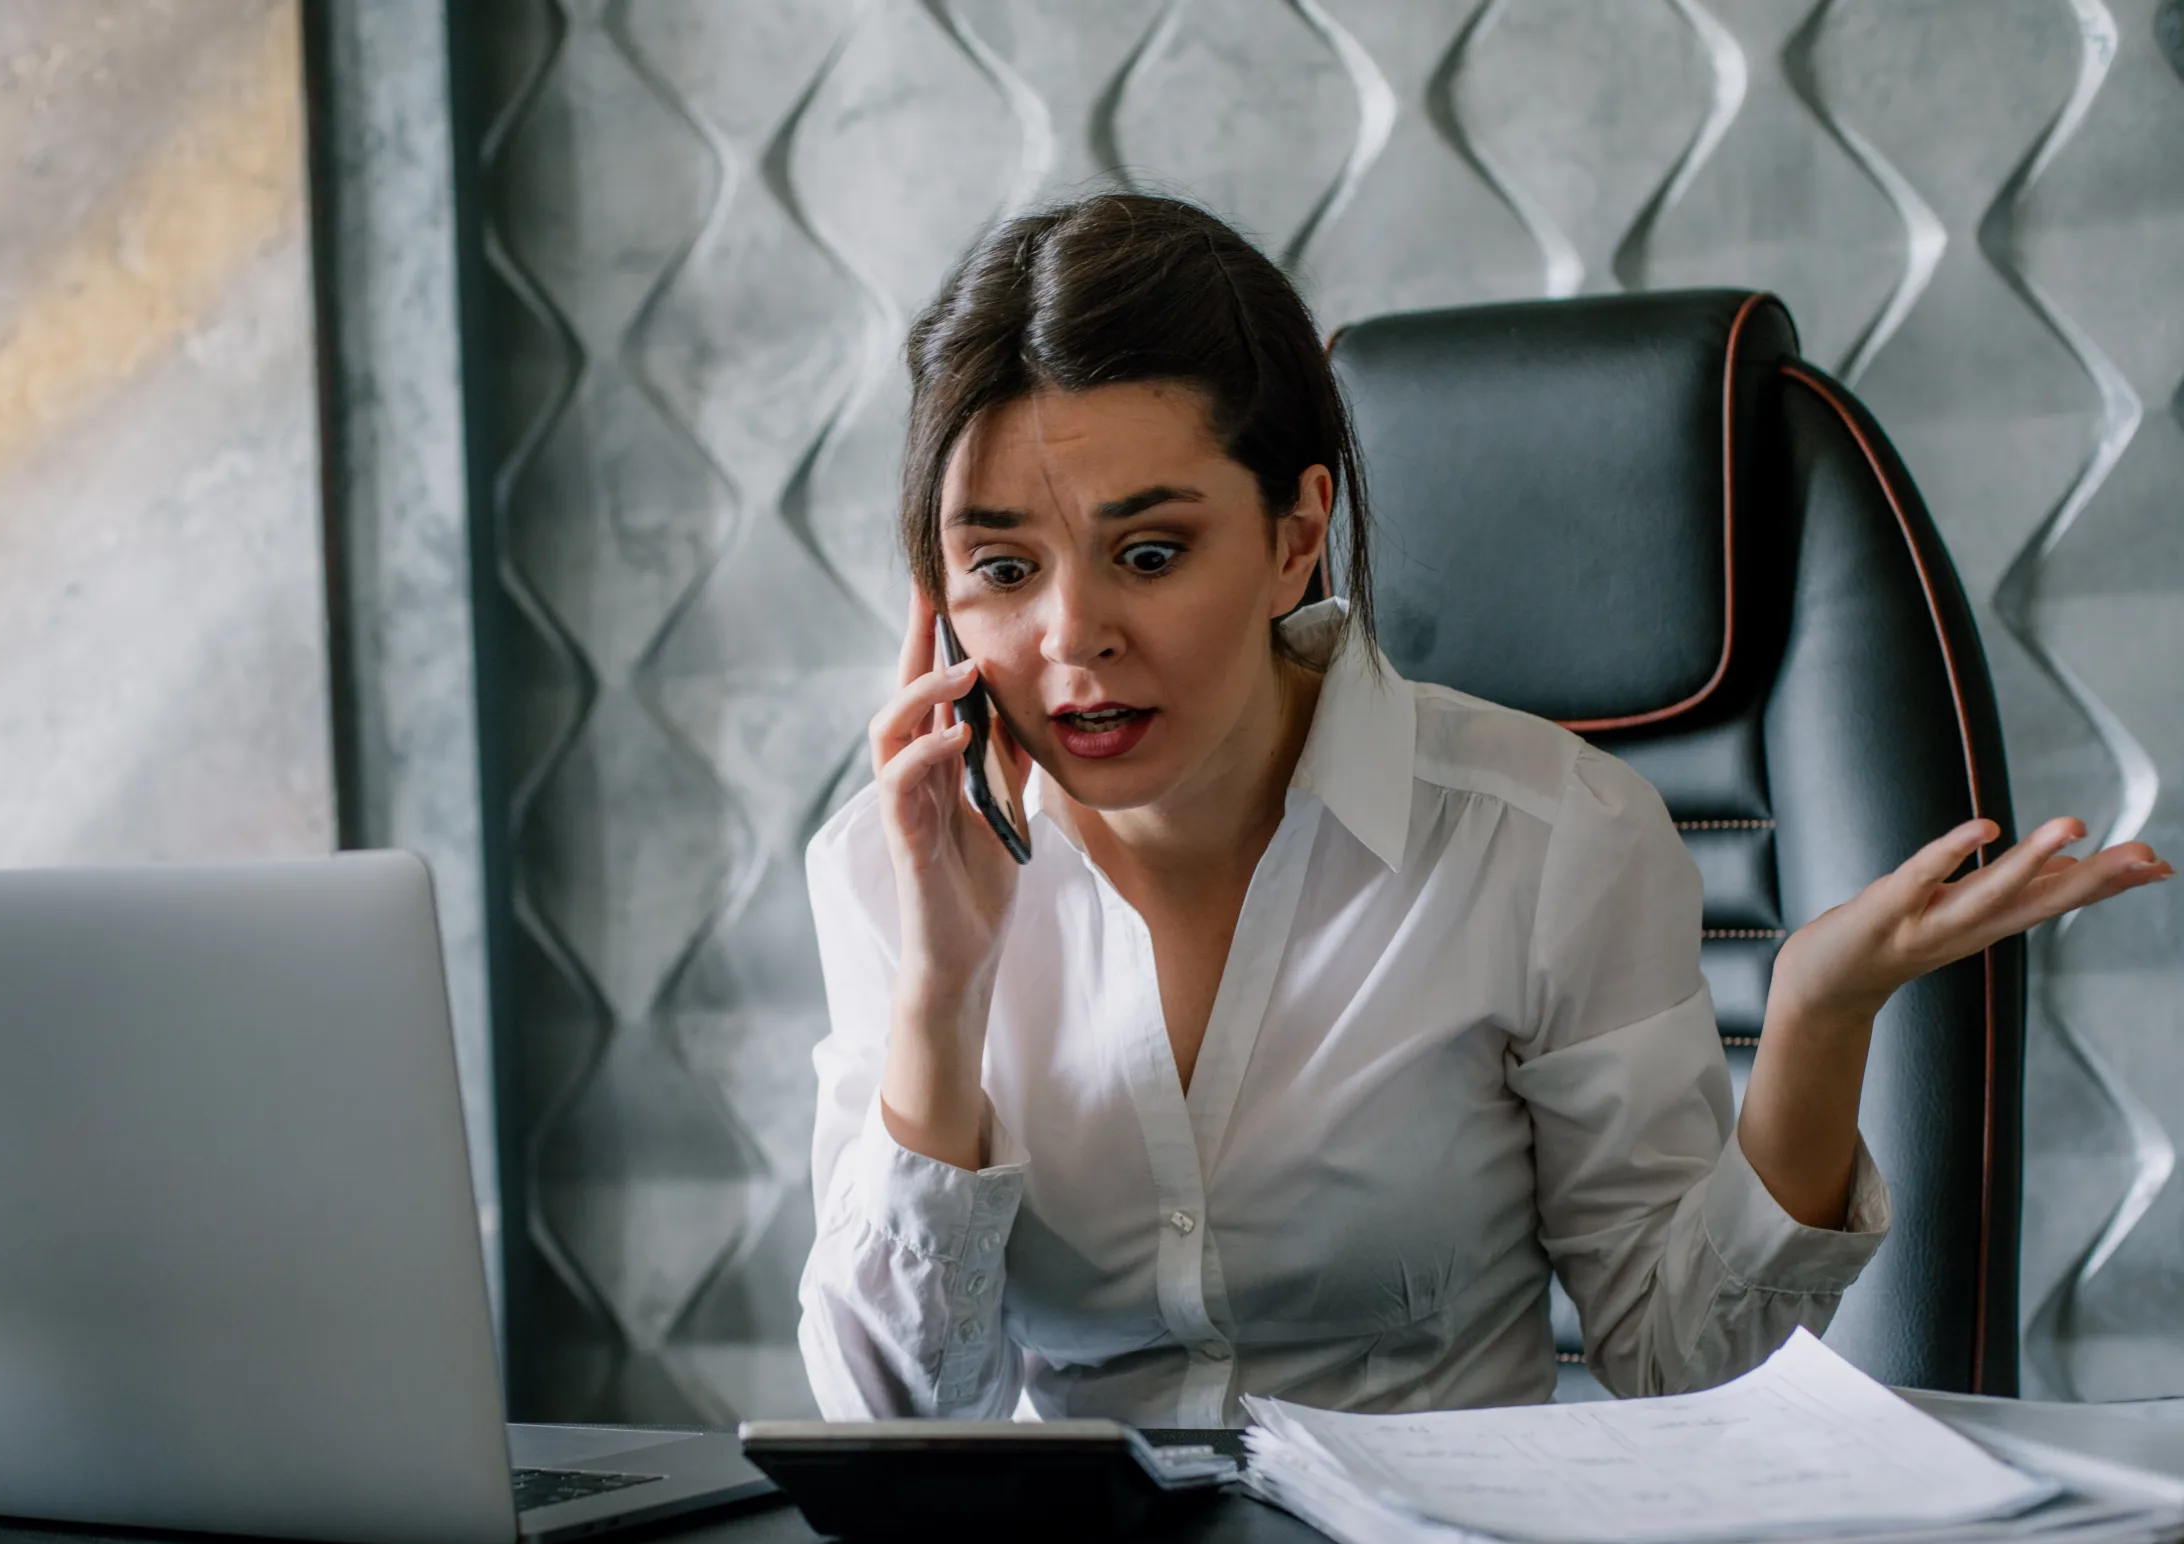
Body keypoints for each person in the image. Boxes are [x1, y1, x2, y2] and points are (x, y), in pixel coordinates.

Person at [795, 194, 2170, 1428]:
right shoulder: (893, 869)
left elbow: (1681, 1368)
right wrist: (941, 991)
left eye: (1149, 553)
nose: (1072, 636)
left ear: (1292, 537)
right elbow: (897, 1421)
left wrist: (1811, 1015)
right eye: (1001, 567)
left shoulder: (1553, 835)